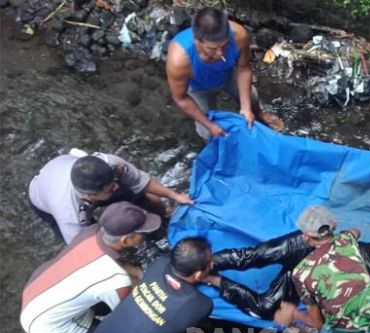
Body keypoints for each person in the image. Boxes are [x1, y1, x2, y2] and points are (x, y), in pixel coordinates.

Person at [207, 211, 370, 326]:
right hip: (312, 261)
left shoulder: (347, 240)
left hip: (313, 264)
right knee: (256, 260)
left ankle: (210, 273)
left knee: (264, 298)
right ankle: (209, 270)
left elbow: (361, 231)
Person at [20, 202, 161, 333]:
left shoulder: (92, 232)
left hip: (37, 287)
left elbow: (111, 263)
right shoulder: (114, 279)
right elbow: (130, 317)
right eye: (142, 233)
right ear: (126, 240)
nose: (145, 235)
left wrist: (136, 272)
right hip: (44, 322)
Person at [279, 206, 370, 333]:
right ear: (334, 226)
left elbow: (317, 322)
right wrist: (348, 233)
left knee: (318, 329)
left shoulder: (301, 272)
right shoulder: (347, 239)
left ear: (306, 237)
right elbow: (356, 231)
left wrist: (292, 312)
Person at [167, 7, 283, 141]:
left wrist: (246, 108)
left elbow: (243, 68)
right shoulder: (179, 59)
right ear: (197, 41)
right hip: (199, 88)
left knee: (252, 97)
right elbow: (181, 98)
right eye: (211, 49)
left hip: (227, 75)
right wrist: (209, 125)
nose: (220, 53)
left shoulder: (239, 35)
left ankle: (259, 115)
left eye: (225, 46)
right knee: (206, 132)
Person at [29, 149, 192, 244]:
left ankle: (166, 218)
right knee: (94, 237)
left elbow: (142, 182)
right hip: (43, 196)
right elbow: (82, 246)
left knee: (140, 197)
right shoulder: (69, 212)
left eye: (114, 182)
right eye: (110, 189)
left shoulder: (111, 164)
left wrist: (175, 196)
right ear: (89, 195)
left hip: (67, 165)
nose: (116, 187)